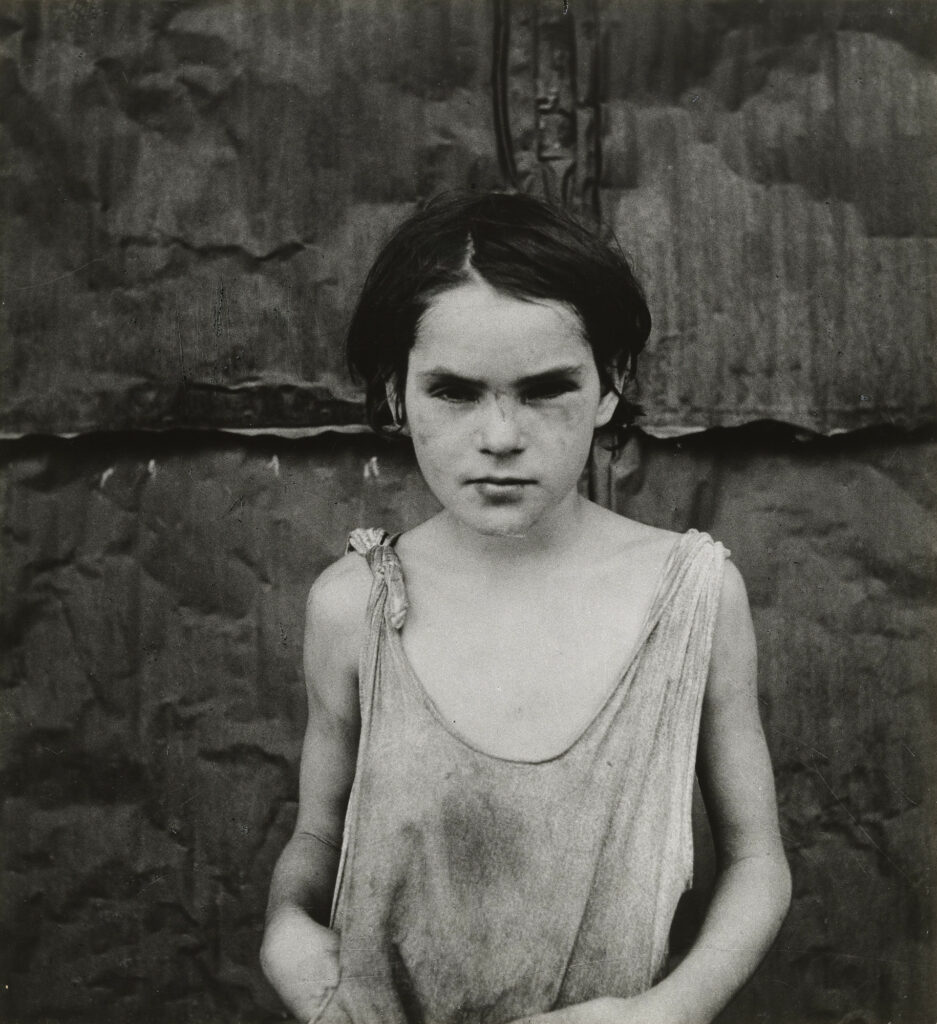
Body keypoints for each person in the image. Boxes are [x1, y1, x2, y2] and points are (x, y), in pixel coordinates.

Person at [260, 191, 791, 1024]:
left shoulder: (688, 596)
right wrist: (284, 929)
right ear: (396, 396)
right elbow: (320, 838)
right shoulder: (352, 605)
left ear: (609, 388)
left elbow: (757, 857)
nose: (501, 435)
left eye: (545, 390)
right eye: (454, 392)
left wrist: (667, 1011)